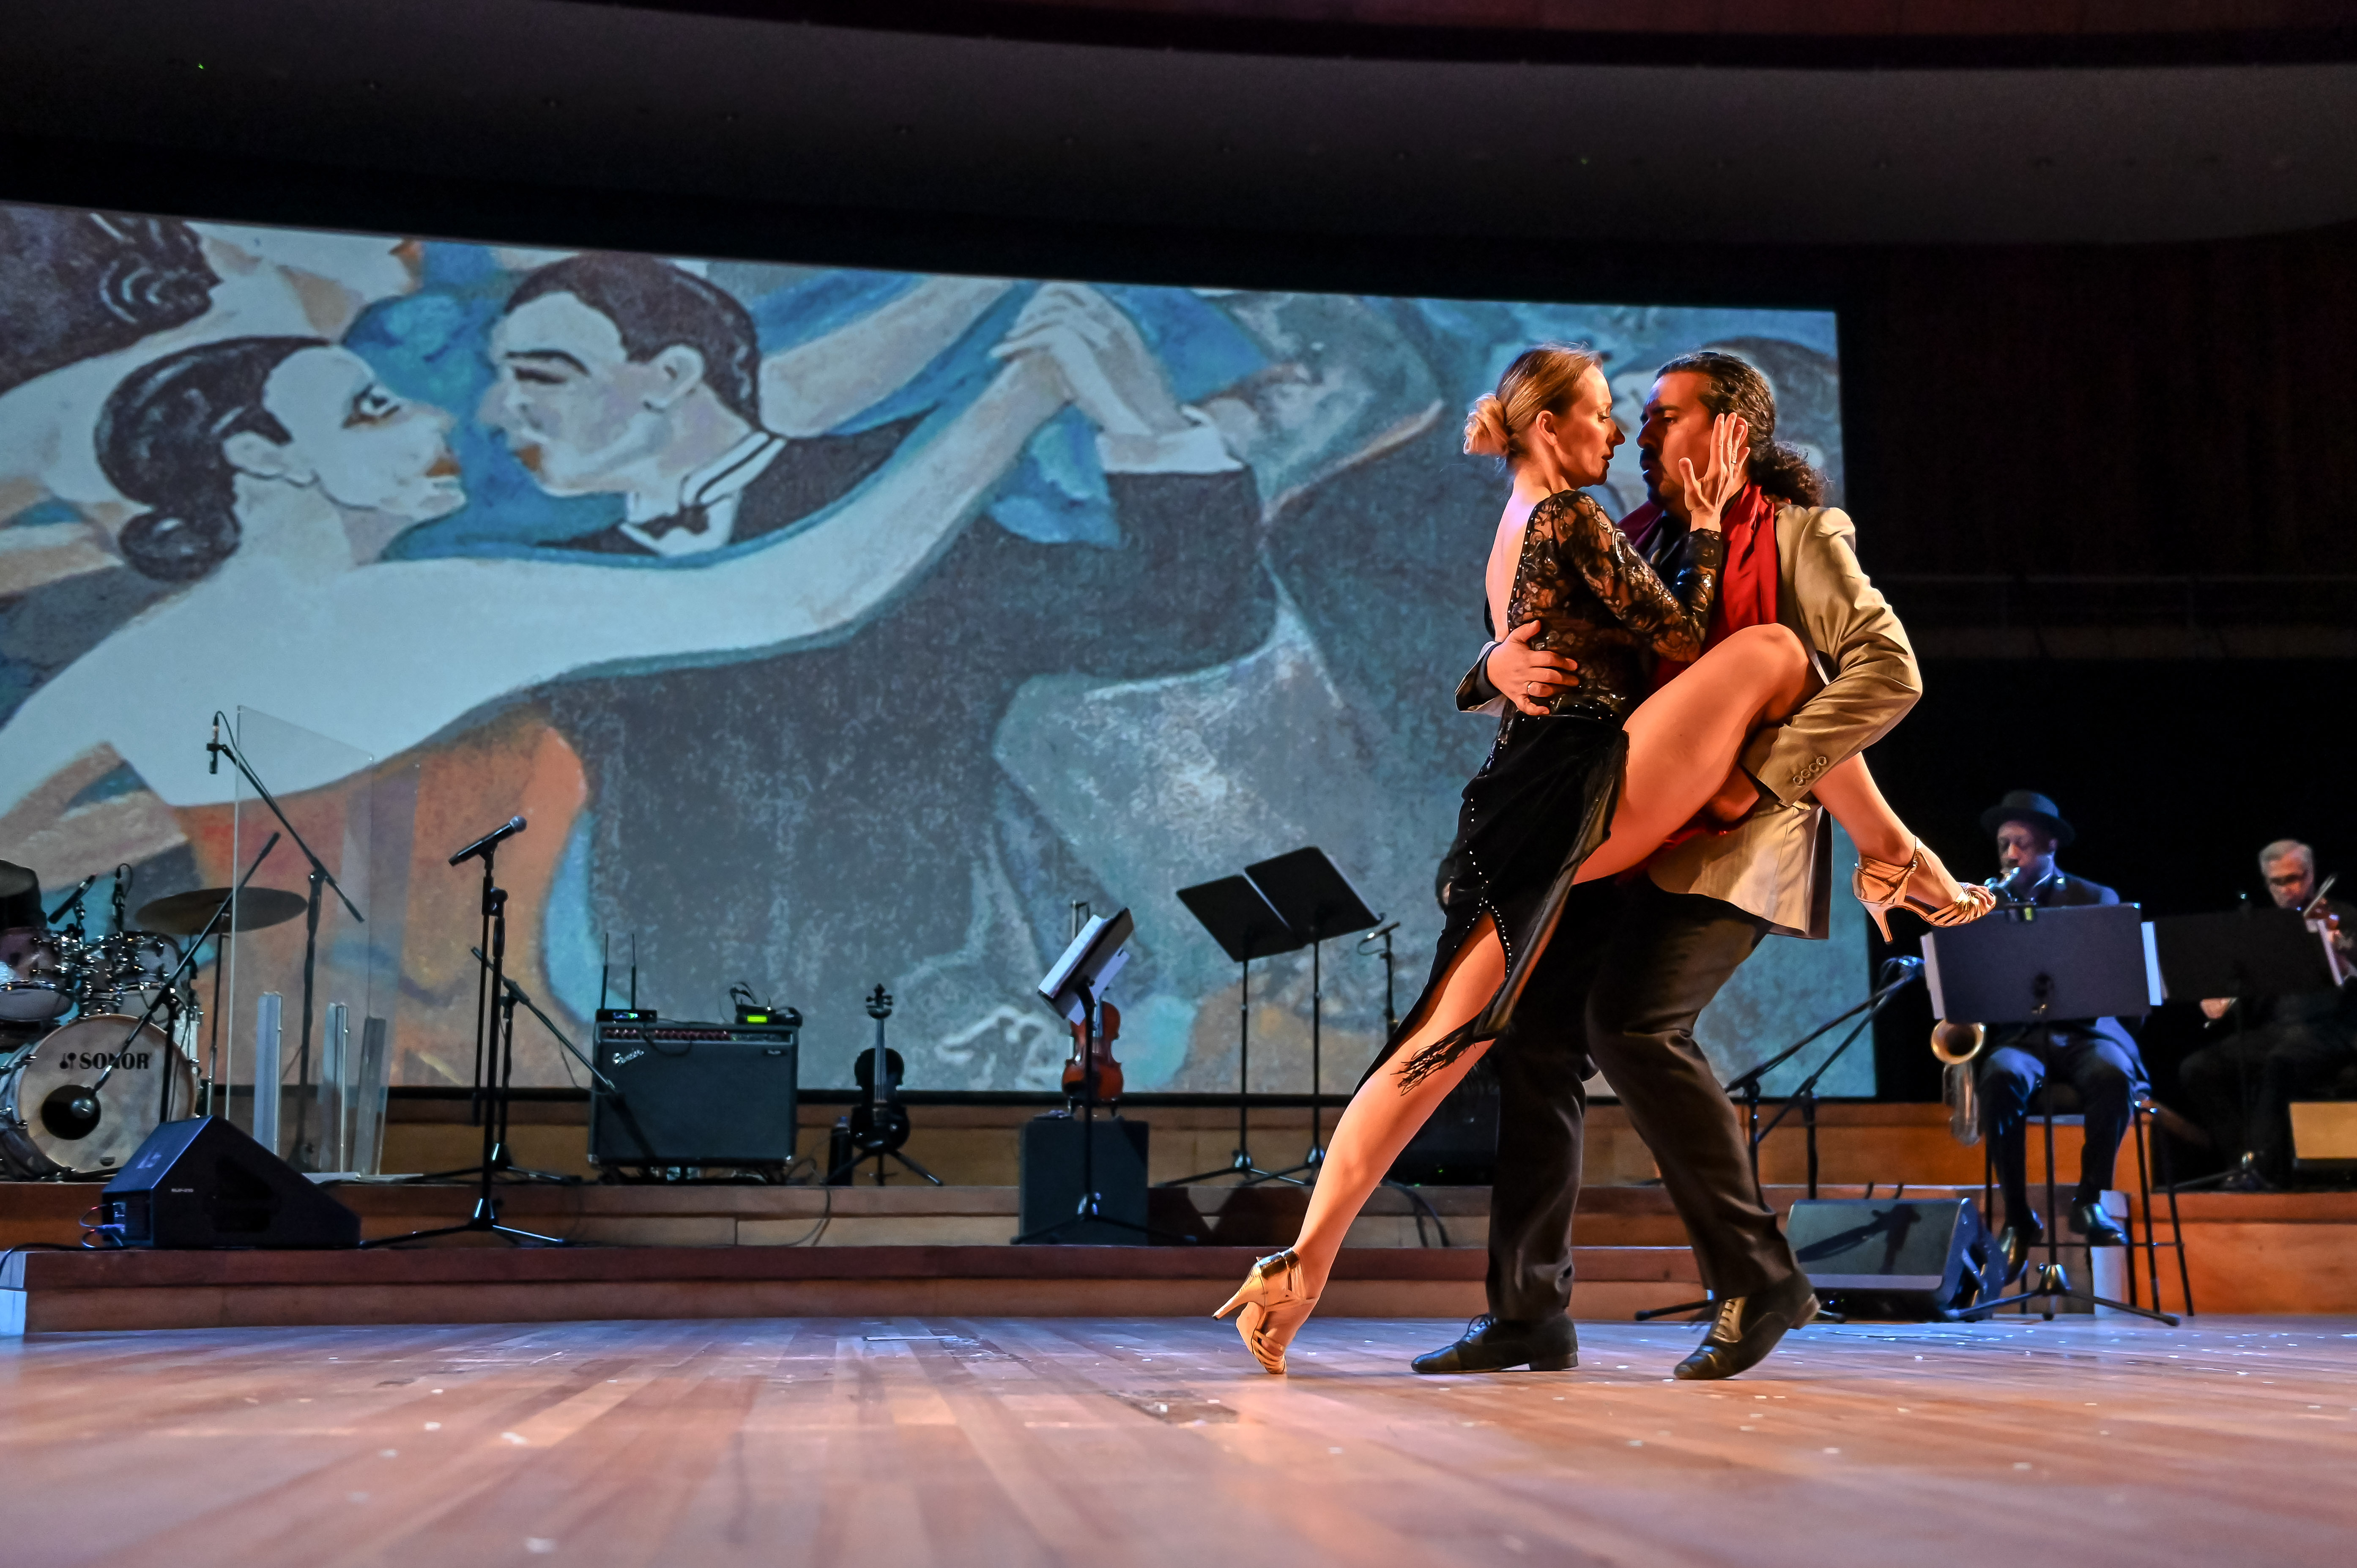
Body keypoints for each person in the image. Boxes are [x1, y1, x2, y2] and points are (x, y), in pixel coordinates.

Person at [1216, 345, 1988, 1379]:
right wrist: (1490, 663)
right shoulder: (1626, 527)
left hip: (1710, 832)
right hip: (1594, 812)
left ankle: (1753, 1276)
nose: (1637, 431)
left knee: (1608, 1022)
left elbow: (1880, 675)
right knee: (1514, 1040)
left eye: (1664, 415)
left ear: (1733, 429)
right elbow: (1560, 629)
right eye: (1628, 413)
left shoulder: (1801, 535)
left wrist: (1753, 781)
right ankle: (1524, 1310)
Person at [1973, 789, 2143, 1272]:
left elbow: (2114, 977)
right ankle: (2017, 1216)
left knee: (2113, 1074)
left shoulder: (2093, 896)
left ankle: (2090, 1200)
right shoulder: (1985, 904)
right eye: (2004, 845)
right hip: (2022, 1036)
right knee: (1999, 1076)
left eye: (2021, 844)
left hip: (2086, 1032)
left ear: (2050, 845)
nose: (2010, 855)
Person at [2177, 839, 2355, 1188]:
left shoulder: (2343, 917)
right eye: (2277, 882)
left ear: (2311, 874)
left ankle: (2261, 1167)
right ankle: (2241, 1162)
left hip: (2333, 1028)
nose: (2287, 890)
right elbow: (2240, 979)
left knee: (2280, 1061)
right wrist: (2218, 997)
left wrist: (2339, 954)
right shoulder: (2263, 929)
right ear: (2266, 882)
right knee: (2197, 1068)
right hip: (2278, 1030)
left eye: (2294, 879)